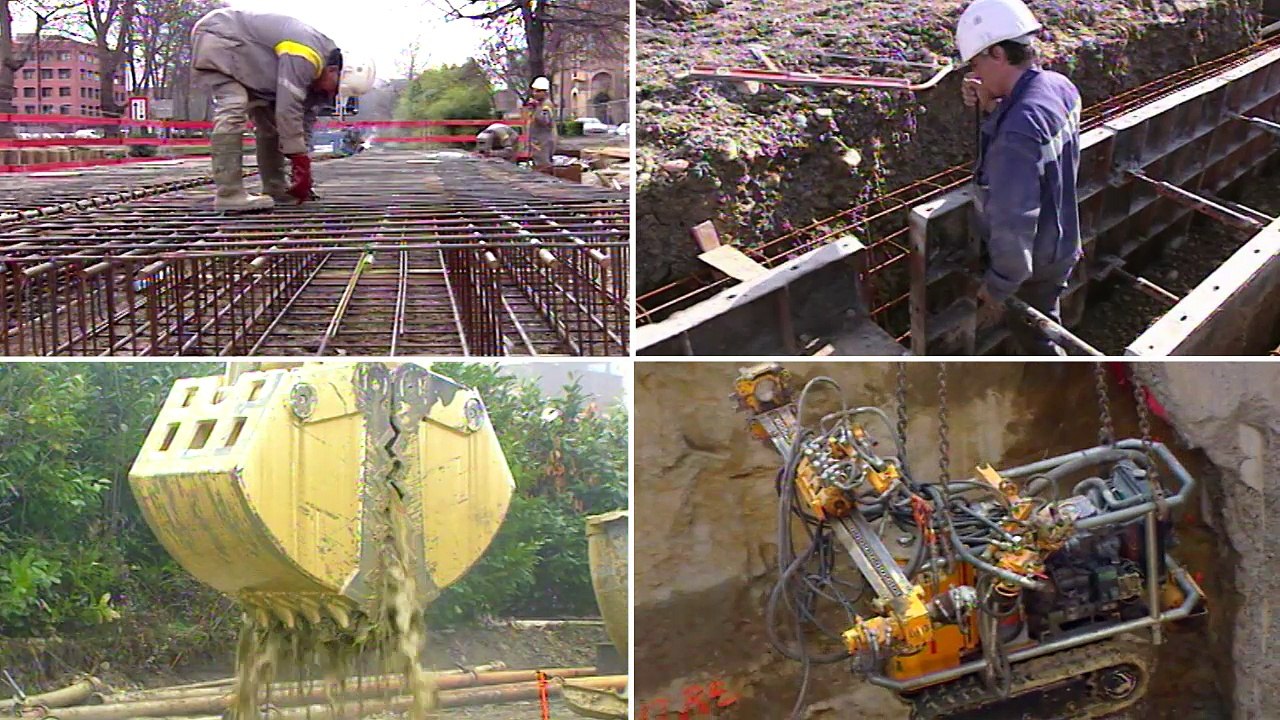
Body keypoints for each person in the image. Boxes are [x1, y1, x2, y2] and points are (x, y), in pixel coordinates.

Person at [956, 0, 1083, 355]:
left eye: (977, 62)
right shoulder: (1059, 86)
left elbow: (1014, 221)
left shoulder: (1017, 132)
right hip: (1062, 240)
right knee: (1047, 320)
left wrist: (997, 286)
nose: (975, 74)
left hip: (1036, 261)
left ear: (998, 53)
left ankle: (1057, 391)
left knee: (1035, 337)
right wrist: (993, 106)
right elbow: (1037, 151)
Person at [190, 8, 342, 212]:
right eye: (336, 87)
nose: (331, 93)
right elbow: (288, 108)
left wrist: (302, 164)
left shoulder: (317, 77)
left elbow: (301, 120)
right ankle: (229, 193)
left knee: (269, 123)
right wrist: (299, 158)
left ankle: (276, 189)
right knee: (233, 105)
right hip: (221, 36)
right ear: (333, 70)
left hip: (253, 64)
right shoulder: (307, 53)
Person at [522, 76, 558, 168]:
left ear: (545, 92)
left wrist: (536, 108)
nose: (534, 94)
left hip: (544, 142)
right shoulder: (539, 104)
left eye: (538, 91)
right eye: (534, 91)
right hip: (537, 142)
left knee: (544, 166)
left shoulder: (546, 105)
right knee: (537, 165)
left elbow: (545, 121)